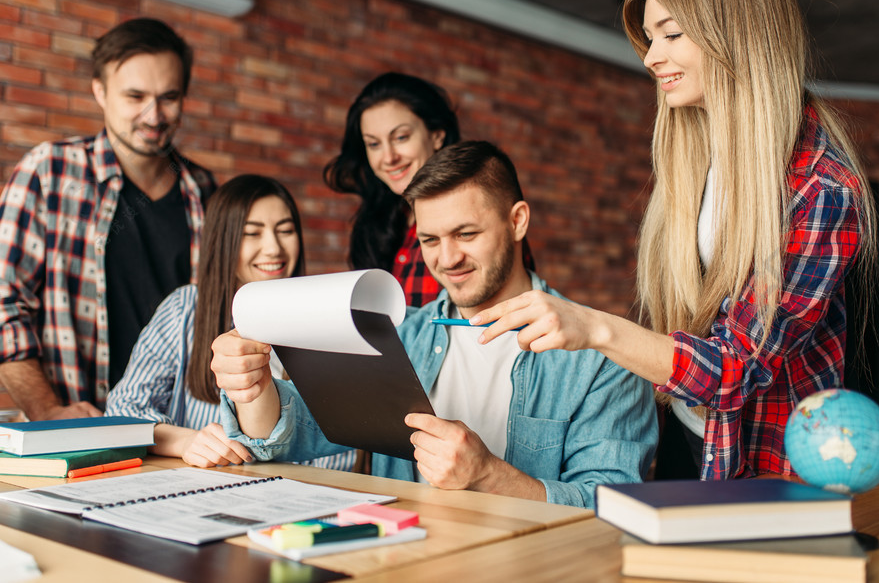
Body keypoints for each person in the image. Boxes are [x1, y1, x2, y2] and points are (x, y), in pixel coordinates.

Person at [471, 0, 878, 481]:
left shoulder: (822, 189)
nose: (650, 56)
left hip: (762, 460)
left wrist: (594, 328)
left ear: (735, 34)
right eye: (649, 37)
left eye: (671, 34)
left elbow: (738, 365)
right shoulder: (695, 150)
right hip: (688, 438)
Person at [212, 141, 657, 508]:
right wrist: (253, 388)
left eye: (466, 234)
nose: (447, 259)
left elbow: (614, 510)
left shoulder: (602, 356)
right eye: (430, 240)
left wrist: (488, 475)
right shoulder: (397, 336)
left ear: (517, 221)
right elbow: (295, 438)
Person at [0, 18, 216, 421]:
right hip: (81, 430)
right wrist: (45, 409)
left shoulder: (202, 189)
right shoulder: (51, 171)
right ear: (100, 90)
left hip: (181, 434)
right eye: (135, 96)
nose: (154, 115)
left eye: (169, 97)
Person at [106, 175, 356, 470]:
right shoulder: (186, 309)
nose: (273, 248)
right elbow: (123, 410)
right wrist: (185, 442)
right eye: (252, 233)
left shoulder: (327, 322)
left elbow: (346, 446)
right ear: (224, 240)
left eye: (285, 231)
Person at [323, 72, 460, 307]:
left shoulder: (474, 212)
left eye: (401, 137)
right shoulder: (382, 222)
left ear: (437, 136)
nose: (389, 157)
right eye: (374, 144)